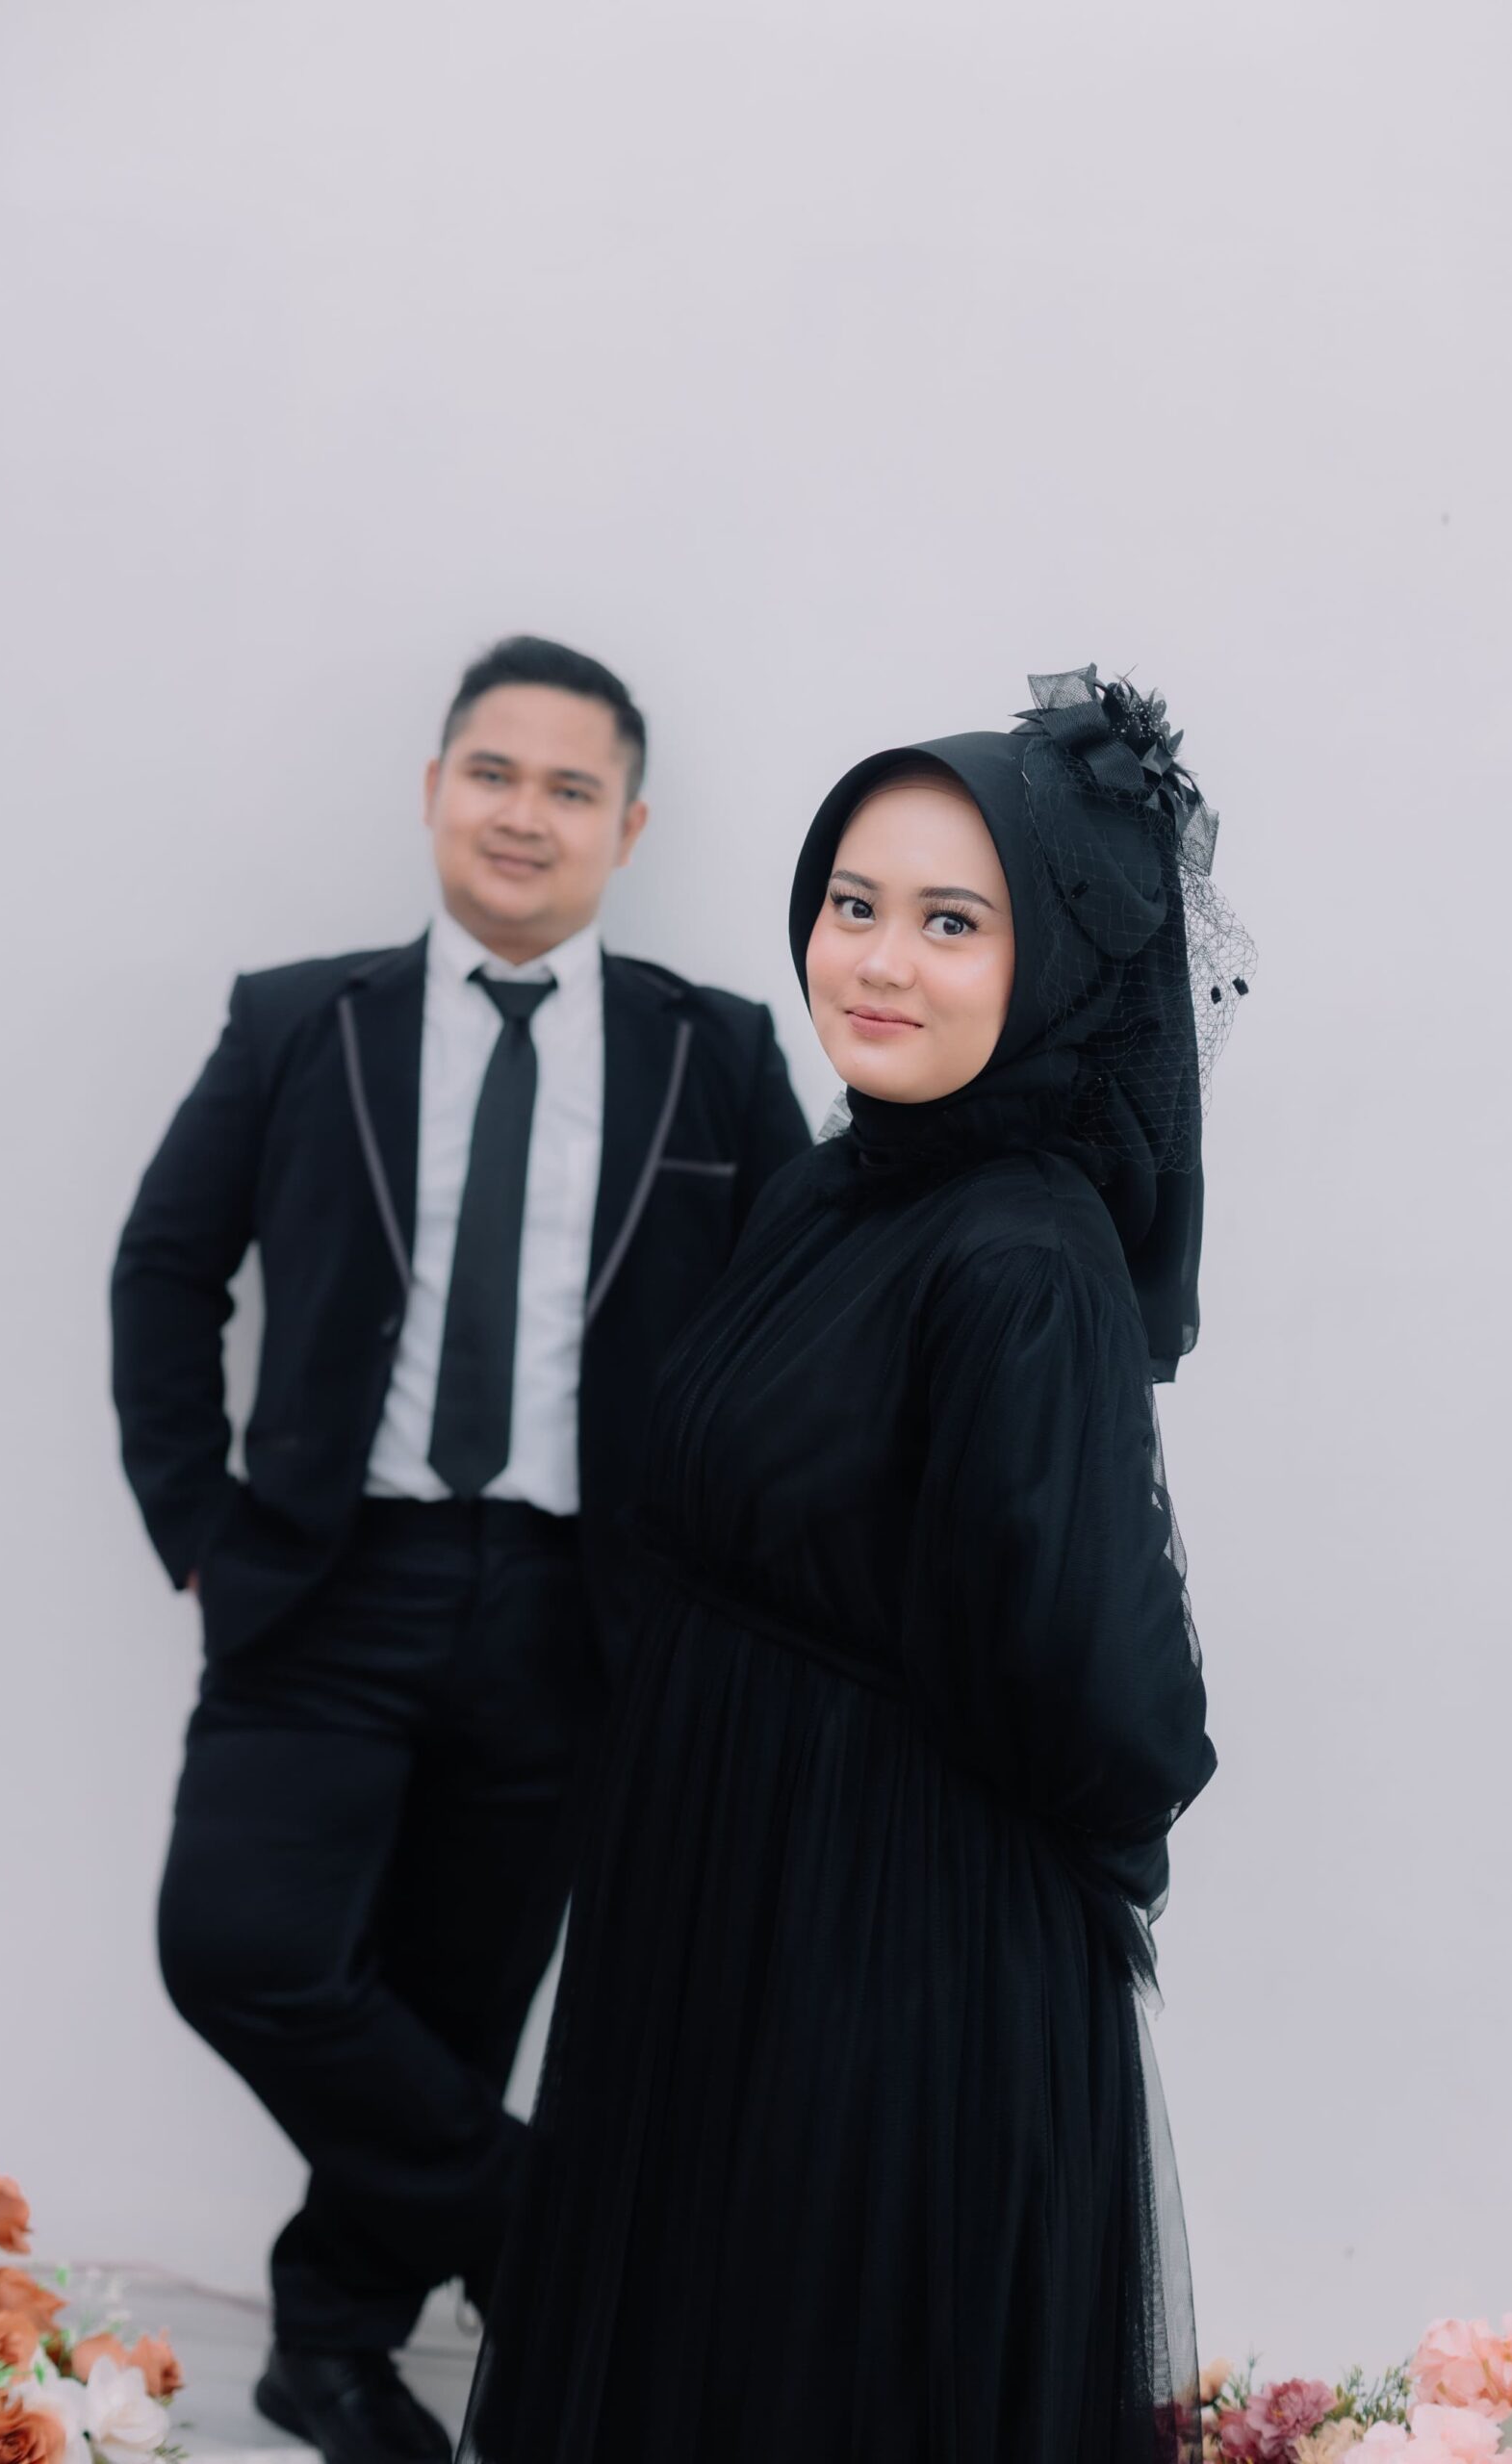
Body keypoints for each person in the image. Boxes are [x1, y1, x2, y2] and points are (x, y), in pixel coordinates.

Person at [458, 665, 1252, 2464]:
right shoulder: (842, 1185)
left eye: (952, 923)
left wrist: (862, 1858)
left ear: (1053, 964)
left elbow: (1103, 1696)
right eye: (851, 903)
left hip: (884, 1956)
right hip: (729, 1904)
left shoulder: (1019, 1257)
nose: (878, 963)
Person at [110, 634, 811, 2464]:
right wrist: (197, 1526)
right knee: (238, 1946)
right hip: (325, 1582)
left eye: (573, 788)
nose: (525, 814)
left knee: (455, 1997)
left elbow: (794, 1341)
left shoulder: (714, 1053)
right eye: (494, 773)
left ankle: (332, 2348)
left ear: (629, 828)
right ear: (435, 790)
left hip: (584, 1611)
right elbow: (167, 1271)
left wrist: (739, 1590)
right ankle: (550, 2241)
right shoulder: (299, 1024)